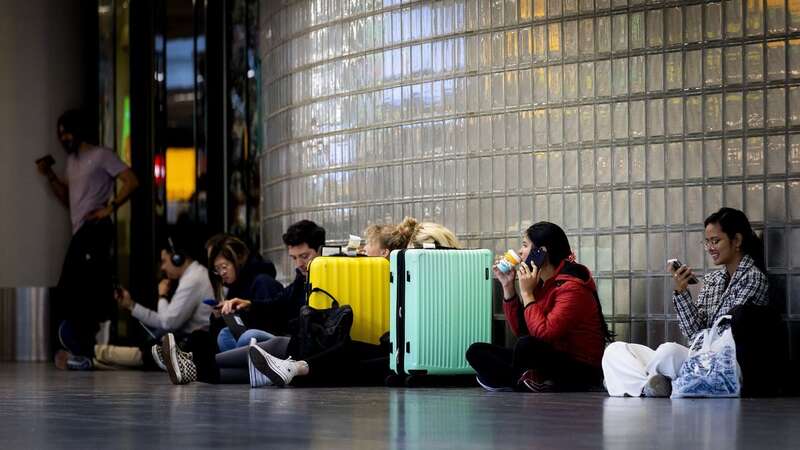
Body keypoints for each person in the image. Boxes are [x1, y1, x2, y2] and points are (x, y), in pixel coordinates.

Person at [602, 207, 779, 397]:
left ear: (736, 240)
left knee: (667, 352)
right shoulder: (713, 280)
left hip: (718, 365)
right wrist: (682, 291)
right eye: (707, 242)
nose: (710, 248)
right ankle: (650, 385)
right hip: (695, 358)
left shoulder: (753, 278)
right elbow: (693, 334)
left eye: (716, 241)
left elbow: (719, 337)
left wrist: (695, 340)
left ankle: (634, 381)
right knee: (615, 350)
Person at [161, 220, 325, 385]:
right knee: (226, 335)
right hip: (288, 343)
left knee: (250, 336)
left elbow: (281, 317)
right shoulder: (300, 279)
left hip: (294, 343)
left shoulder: (325, 278)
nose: (298, 264)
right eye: (294, 258)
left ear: (320, 250)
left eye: (304, 256)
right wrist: (247, 305)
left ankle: (193, 364)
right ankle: (193, 369)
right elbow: (278, 303)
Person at [38, 109, 139, 369]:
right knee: (76, 290)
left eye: (67, 132)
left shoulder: (101, 155)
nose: (64, 138)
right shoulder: (71, 162)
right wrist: (50, 175)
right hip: (80, 231)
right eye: (60, 134)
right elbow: (67, 199)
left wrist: (110, 207)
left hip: (95, 229)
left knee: (79, 289)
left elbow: (131, 181)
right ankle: (83, 350)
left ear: (79, 130)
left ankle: (86, 352)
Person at [466, 221, 613, 392]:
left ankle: (511, 379)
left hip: (580, 368)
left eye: (525, 245)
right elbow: (523, 330)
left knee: (526, 346)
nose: (520, 251)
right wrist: (508, 287)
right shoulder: (540, 282)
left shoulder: (572, 288)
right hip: (549, 356)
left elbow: (544, 334)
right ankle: (525, 379)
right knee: (476, 351)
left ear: (540, 252)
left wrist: (527, 294)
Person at [55, 237, 214, 370]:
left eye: (164, 261)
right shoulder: (193, 276)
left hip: (190, 344)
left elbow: (167, 322)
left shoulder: (193, 280)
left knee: (147, 353)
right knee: (148, 347)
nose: (163, 267)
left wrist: (162, 296)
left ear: (177, 258)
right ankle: (91, 359)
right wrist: (131, 305)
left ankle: (90, 352)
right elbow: (163, 320)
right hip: (185, 340)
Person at [208, 235, 284, 352]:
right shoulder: (235, 287)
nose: (222, 273)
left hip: (270, 344)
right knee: (204, 337)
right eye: (217, 269)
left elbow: (269, 322)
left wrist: (245, 309)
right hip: (249, 340)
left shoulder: (262, 282)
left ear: (239, 259)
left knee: (239, 336)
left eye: (224, 267)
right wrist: (220, 316)